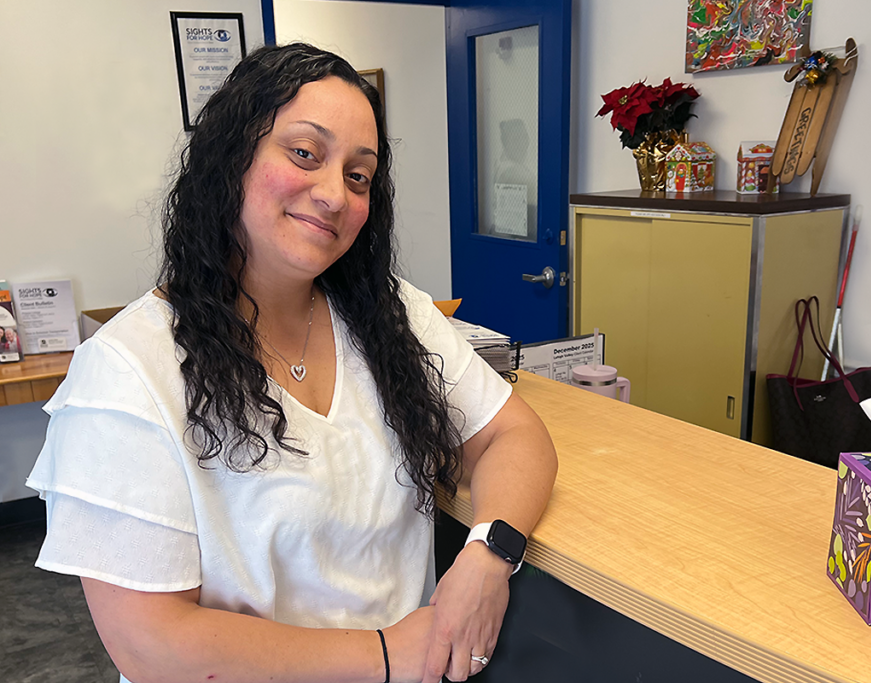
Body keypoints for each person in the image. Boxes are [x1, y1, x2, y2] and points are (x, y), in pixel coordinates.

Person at [27, 43, 557, 683]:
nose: (334, 194)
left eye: (358, 176)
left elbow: (513, 432)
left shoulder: (390, 317)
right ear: (232, 156)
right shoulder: (128, 369)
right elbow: (152, 644)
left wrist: (487, 553)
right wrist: (389, 654)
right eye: (305, 154)